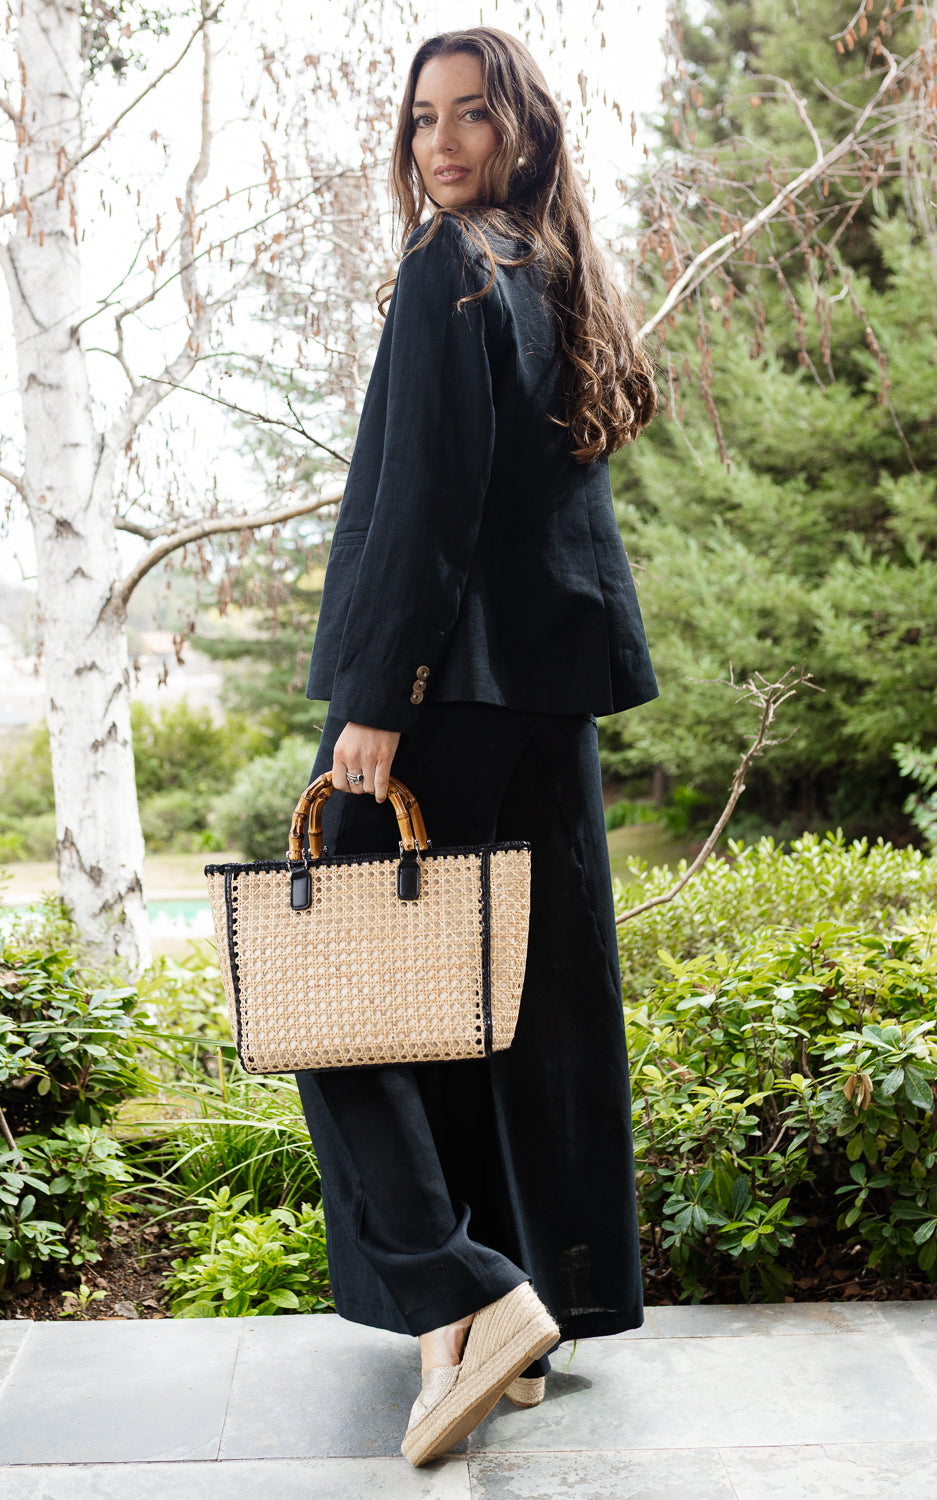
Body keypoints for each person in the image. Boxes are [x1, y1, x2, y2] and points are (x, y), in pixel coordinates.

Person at [294, 25, 658, 1468]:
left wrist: (377, 692)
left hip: (446, 687)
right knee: (522, 1005)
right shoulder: (548, 265)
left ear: (521, 127)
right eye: (421, 119)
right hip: (546, 690)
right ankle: (519, 1321)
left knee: (334, 992)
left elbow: (427, 501)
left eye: (468, 114)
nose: (439, 143)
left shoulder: (451, 264)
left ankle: (467, 1291)